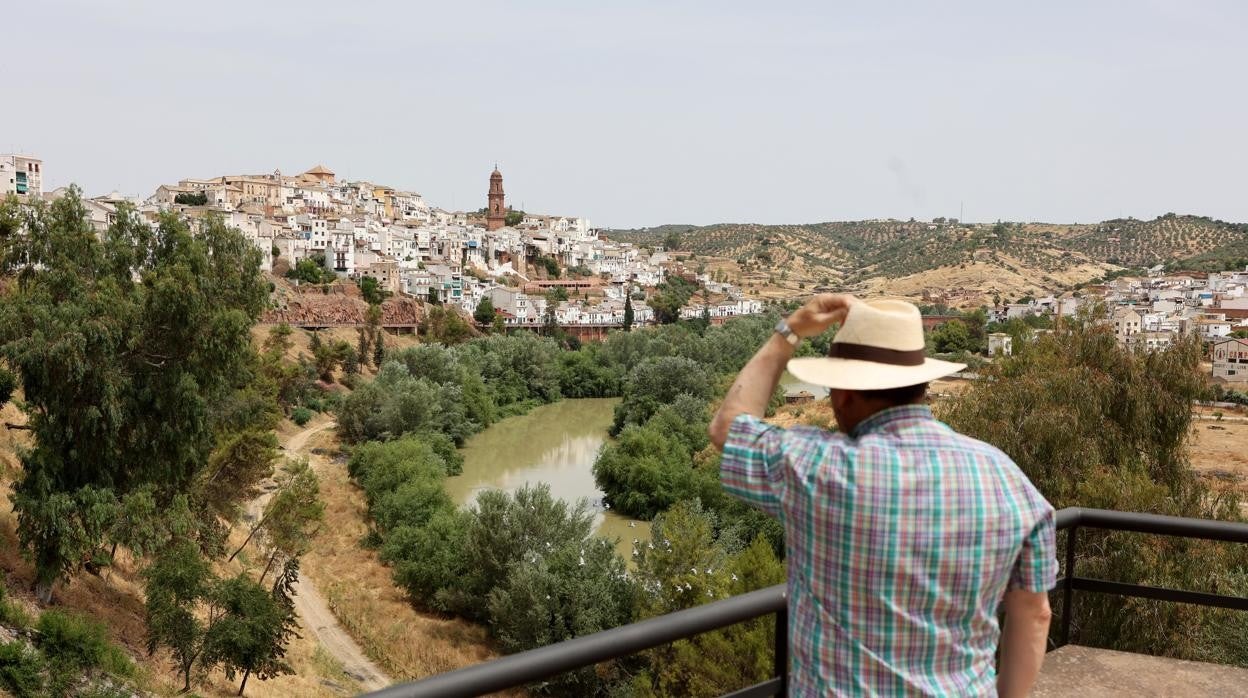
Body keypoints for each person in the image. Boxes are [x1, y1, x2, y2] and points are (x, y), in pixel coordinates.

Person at [709, 294, 1057, 697]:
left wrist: (789, 331)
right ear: (921, 385)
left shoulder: (815, 468)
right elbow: (1034, 614)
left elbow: (728, 426)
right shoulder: (1007, 479)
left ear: (845, 394)